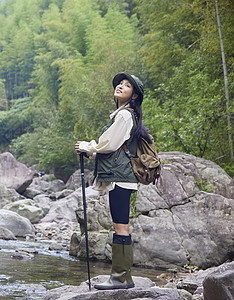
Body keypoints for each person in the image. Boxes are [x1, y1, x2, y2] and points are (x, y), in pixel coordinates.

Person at [74, 72, 151, 290]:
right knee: (121, 225)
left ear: (134, 95)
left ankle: (120, 278)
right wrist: (91, 151)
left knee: (120, 226)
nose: (120, 86)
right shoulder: (124, 114)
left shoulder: (125, 115)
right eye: (120, 83)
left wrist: (88, 147)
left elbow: (108, 144)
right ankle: (124, 277)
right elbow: (113, 147)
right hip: (121, 177)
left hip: (120, 178)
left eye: (127, 86)